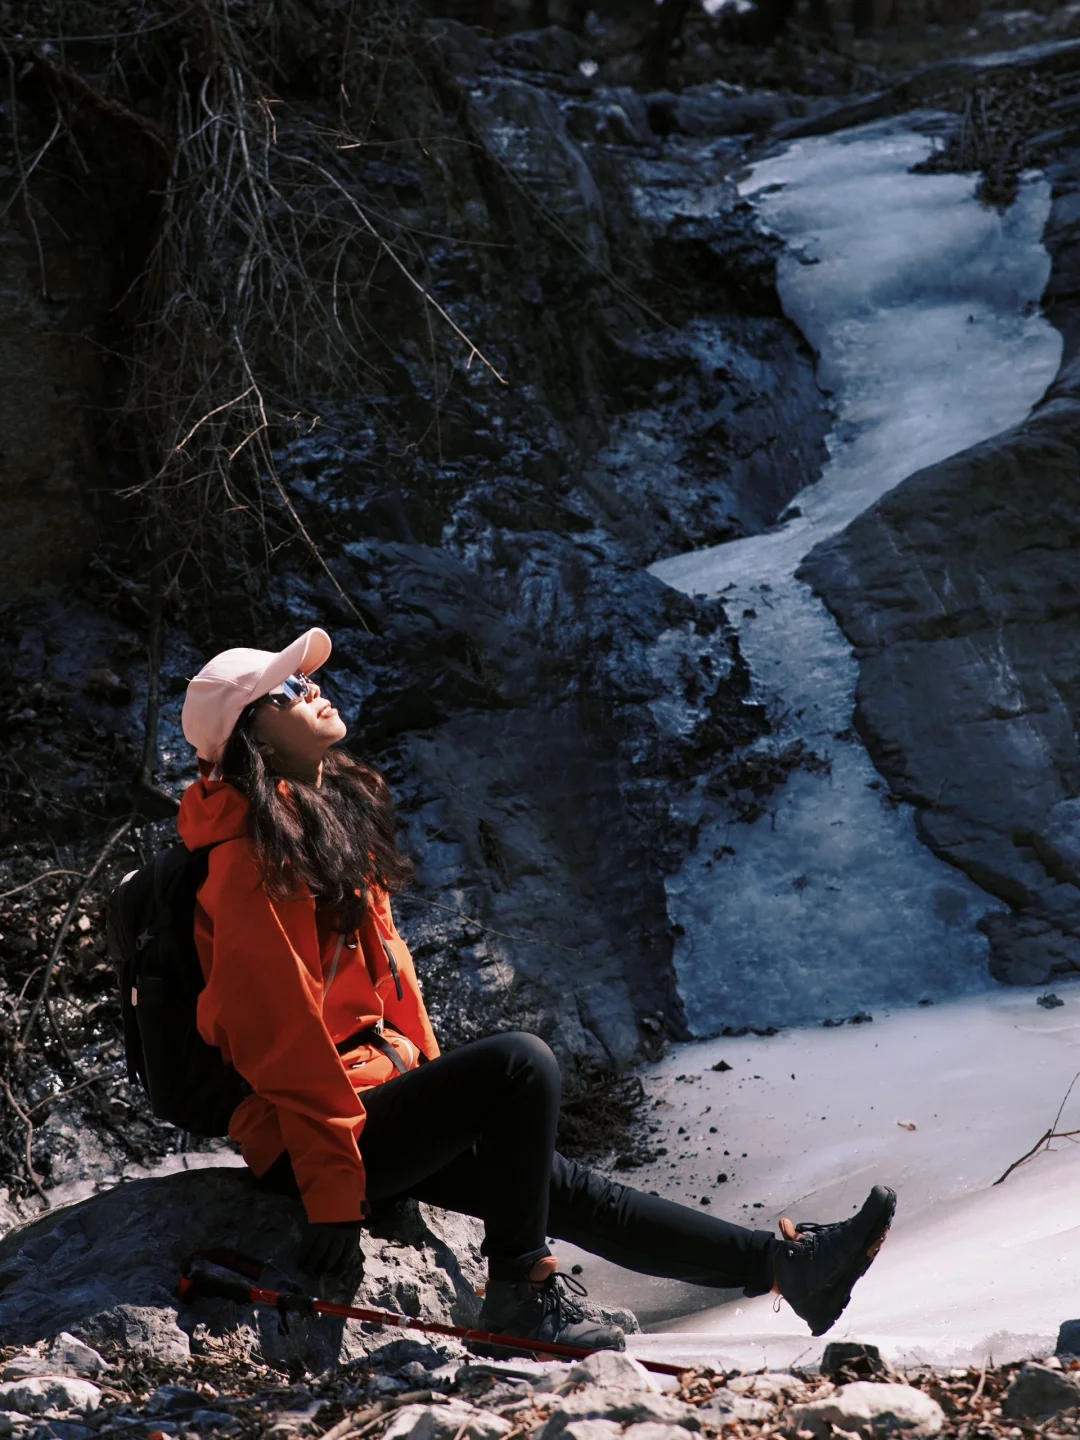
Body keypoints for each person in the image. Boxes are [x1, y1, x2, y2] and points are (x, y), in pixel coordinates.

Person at [179, 627, 896, 1351]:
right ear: (255, 738)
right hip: (308, 1142)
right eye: (289, 689)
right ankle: (521, 1292)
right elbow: (281, 1037)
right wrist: (333, 1193)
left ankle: (785, 1266)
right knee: (521, 1064)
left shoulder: (322, 820)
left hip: (370, 1105)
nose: (313, 689)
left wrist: (443, 1107)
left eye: (309, 679)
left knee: (559, 1185)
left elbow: (395, 991)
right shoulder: (247, 861)